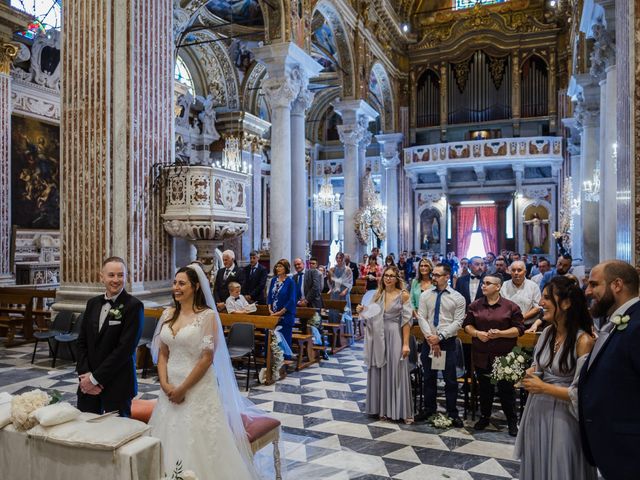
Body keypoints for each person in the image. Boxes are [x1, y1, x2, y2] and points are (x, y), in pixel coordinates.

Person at [149, 264, 259, 480]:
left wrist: (182, 389)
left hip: (196, 387)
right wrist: (164, 383)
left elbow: (207, 358)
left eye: (182, 283)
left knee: (197, 440)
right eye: (175, 283)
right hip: (169, 387)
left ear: (196, 286)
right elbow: (163, 353)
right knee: (168, 434)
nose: (176, 288)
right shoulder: (169, 313)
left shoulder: (207, 316)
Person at [515, 276, 596, 480]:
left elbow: (583, 392)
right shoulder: (547, 333)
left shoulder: (583, 341)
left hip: (564, 416)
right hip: (537, 411)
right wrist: (531, 372)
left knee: (561, 465)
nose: (541, 303)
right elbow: (539, 365)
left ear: (566, 303)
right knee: (538, 461)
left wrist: (543, 387)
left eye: (546, 298)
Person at [579, 260, 640, 480]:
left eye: (594, 284)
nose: (587, 291)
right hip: (614, 449)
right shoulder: (616, 322)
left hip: (631, 451)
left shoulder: (637, 325)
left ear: (617, 285)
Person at [76, 256, 143, 417]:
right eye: (111, 275)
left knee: (117, 436)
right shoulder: (92, 303)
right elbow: (82, 342)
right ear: (102, 277)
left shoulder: (133, 306)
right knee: (86, 433)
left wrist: (95, 379)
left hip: (118, 385)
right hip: (88, 384)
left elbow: (124, 350)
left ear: (126, 277)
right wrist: (86, 376)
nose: (116, 279)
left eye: (120, 275)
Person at [463, 273, 525, 436]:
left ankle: (512, 420)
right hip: (482, 354)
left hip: (504, 356)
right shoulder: (475, 305)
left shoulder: (511, 307)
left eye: (488, 283)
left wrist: (501, 333)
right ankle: (484, 417)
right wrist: (476, 333)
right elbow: (467, 325)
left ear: (498, 287)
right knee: (484, 388)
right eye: (483, 283)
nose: (483, 285)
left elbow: (519, 329)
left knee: (507, 390)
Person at [357, 266, 413, 423]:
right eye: (386, 275)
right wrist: (361, 310)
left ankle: (398, 410)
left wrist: (406, 344)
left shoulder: (403, 295)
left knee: (395, 370)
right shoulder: (378, 294)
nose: (388, 278)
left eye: (392, 276)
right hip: (378, 336)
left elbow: (407, 321)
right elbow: (370, 314)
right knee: (379, 369)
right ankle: (381, 409)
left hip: (395, 334)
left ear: (397, 279)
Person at [416, 263, 466, 426]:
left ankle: (452, 412)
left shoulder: (457, 297)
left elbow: (458, 321)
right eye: (433, 275)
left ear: (447, 277)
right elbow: (422, 317)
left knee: (450, 380)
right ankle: (429, 408)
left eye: (437, 275)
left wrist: (441, 337)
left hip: (447, 343)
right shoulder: (425, 295)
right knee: (429, 377)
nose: (433, 277)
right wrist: (431, 337)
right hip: (429, 341)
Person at [500, 261, 542, 332]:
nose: (516, 273)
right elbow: (501, 306)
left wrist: (521, 318)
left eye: (519, 270)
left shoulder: (533, 286)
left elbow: (537, 308)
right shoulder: (503, 286)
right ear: (510, 272)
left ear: (525, 272)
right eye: (513, 270)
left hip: (528, 325)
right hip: (507, 325)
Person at [267, 258, 297, 352]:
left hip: (285, 316)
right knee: (271, 338)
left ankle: (284, 360)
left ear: (286, 268)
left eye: (280, 266)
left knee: (283, 339)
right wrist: (270, 309)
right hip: (273, 315)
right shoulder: (273, 280)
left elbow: (292, 300)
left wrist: (280, 312)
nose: (277, 268)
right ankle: (271, 360)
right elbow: (269, 296)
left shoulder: (290, 282)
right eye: (277, 266)